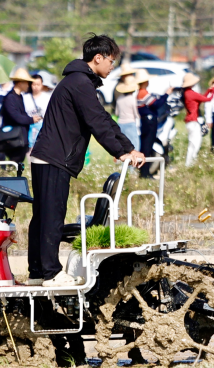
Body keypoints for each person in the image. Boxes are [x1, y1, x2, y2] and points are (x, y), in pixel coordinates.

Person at [28, 33, 144, 288]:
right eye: (111, 61)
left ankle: (37, 272)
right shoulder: (80, 82)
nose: (112, 66)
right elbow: (97, 123)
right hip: (54, 157)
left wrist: (128, 148)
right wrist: (120, 152)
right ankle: (50, 274)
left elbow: (103, 119)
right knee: (50, 217)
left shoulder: (81, 82)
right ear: (98, 58)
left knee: (44, 216)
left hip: (51, 157)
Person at [0, 68, 41, 171]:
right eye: (27, 82)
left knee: (16, 165)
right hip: (12, 139)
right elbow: (16, 117)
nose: (28, 85)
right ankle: (6, 177)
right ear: (20, 83)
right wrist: (31, 120)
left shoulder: (19, 96)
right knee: (13, 165)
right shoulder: (10, 98)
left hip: (20, 138)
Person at [135, 70, 168, 175]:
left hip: (145, 121)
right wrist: (166, 95)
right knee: (147, 146)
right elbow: (156, 104)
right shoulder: (143, 93)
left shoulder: (140, 93)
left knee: (146, 145)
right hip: (149, 121)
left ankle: (144, 171)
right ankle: (145, 173)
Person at [181, 73, 207, 166]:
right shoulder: (191, 93)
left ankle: (189, 163)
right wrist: (212, 89)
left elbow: (201, 98)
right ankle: (191, 163)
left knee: (192, 143)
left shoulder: (186, 93)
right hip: (193, 120)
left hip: (189, 121)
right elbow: (206, 99)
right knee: (196, 143)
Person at [114, 70, 140, 151]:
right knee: (134, 146)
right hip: (130, 123)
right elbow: (136, 114)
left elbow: (116, 113)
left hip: (121, 123)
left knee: (123, 146)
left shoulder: (119, 98)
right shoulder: (132, 99)